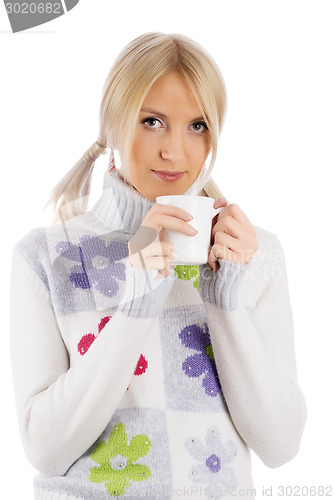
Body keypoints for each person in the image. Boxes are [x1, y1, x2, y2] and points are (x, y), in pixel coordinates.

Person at [10, 32, 307, 500]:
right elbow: (45, 449)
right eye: (152, 122)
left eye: (197, 126)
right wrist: (135, 303)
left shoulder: (252, 254)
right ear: (112, 125)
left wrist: (225, 300)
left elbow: (280, 444)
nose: (176, 151)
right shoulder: (48, 255)